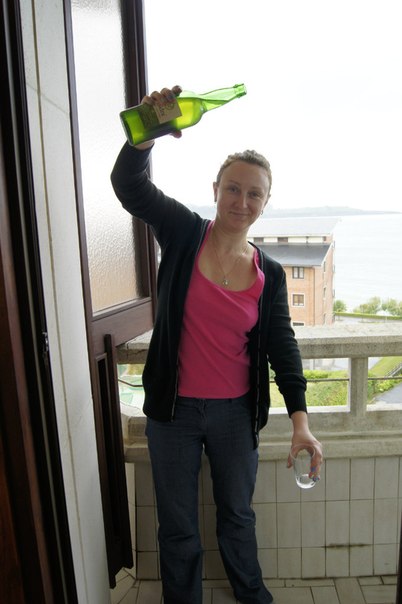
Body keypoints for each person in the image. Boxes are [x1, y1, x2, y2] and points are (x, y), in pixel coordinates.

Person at [111, 85, 323, 604]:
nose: (241, 202)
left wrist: (301, 423)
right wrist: (147, 134)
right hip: (173, 414)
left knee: (237, 517)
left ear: (265, 203)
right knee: (178, 526)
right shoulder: (184, 233)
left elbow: (282, 347)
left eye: (254, 194)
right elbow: (129, 186)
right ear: (216, 189)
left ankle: (252, 596)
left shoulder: (269, 273)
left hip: (235, 415)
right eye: (233, 188)